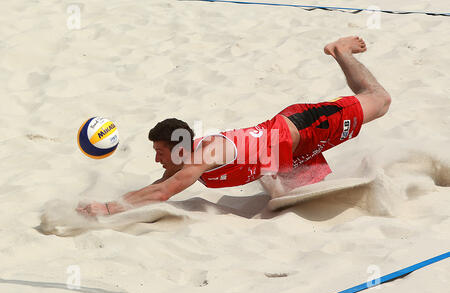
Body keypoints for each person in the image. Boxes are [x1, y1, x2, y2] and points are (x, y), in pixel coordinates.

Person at [77, 36, 391, 217]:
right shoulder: (183, 162)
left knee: (379, 100)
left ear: (181, 148)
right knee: (296, 196)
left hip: (305, 127)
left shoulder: (203, 157)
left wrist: (106, 207)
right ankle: (282, 176)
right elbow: (156, 188)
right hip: (285, 157)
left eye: (160, 152)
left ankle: (341, 51)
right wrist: (106, 206)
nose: (158, 159)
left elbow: (162, 193)